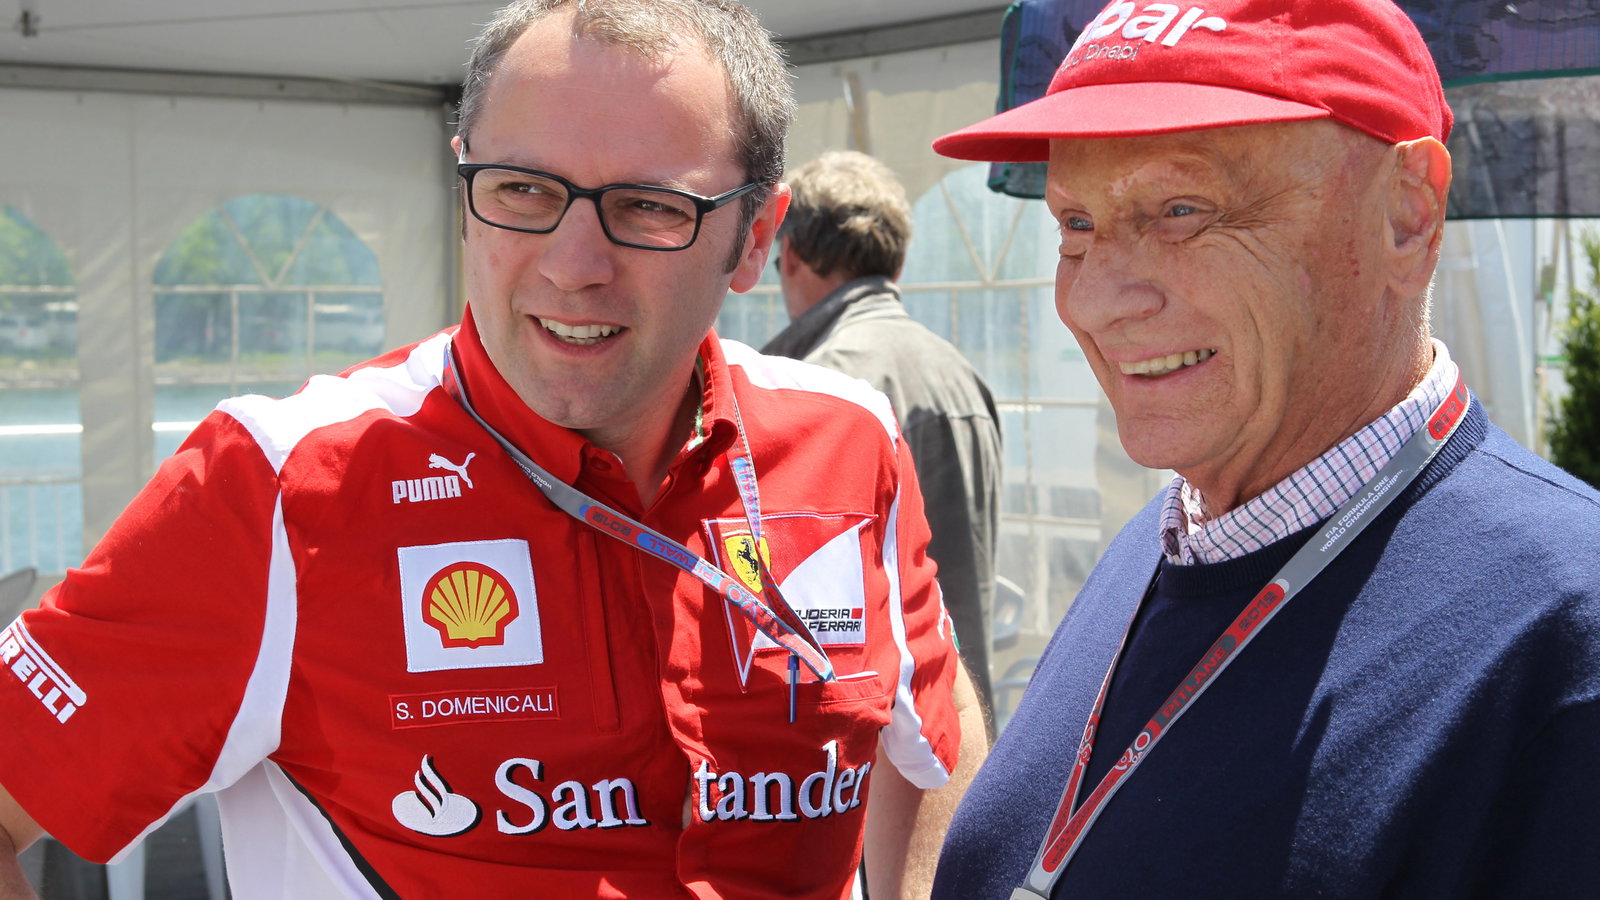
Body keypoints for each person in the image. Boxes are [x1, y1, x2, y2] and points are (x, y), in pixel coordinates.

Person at [0, 1, 986, 897]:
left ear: (755, 238)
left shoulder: (846, 436)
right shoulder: (282, 480)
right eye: (521, 191)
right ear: (466, 185)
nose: (573, 265)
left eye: (649, 207)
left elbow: (930, 734)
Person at [926, 0, 1600, 897]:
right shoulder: (1161, 543)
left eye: (1179, 209)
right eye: (1075, 225)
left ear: (1407, 212)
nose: (1091, 303)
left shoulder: (1564, 634)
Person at [762, 151, 1003, 722]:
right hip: (955, 711)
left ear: (790, 254)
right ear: (896, 264)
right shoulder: (958, 371)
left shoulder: (819, 386)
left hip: (868, 735)